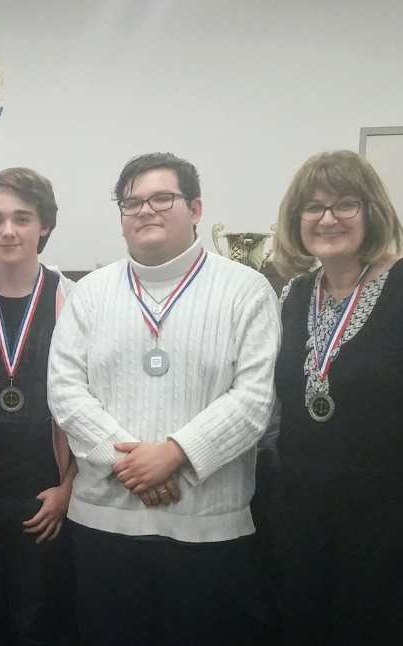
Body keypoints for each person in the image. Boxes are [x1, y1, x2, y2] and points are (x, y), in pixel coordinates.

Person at [47, 153, 279, 645]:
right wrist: (130, 465)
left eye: (162, 198)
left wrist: (174, 454)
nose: (145, 210)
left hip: (209, 527)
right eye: (132, 203)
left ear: (195, 209)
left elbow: (254, 399)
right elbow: (64, 391)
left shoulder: (246, 290)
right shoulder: (89, 293)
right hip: (104, 524)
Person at [268, 150, 403, 645]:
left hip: (385, 518)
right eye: (313, 207)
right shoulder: (294, 295)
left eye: (345, 204)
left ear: (372, 211)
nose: (327, 219)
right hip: (299, 514)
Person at [0, 168, 75, 646]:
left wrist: (70, 488)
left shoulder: (75, 304)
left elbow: (94, 404)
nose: (8, 231)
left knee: (37, 626)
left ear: (44, 225)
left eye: (22, 218)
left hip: (47, 498)